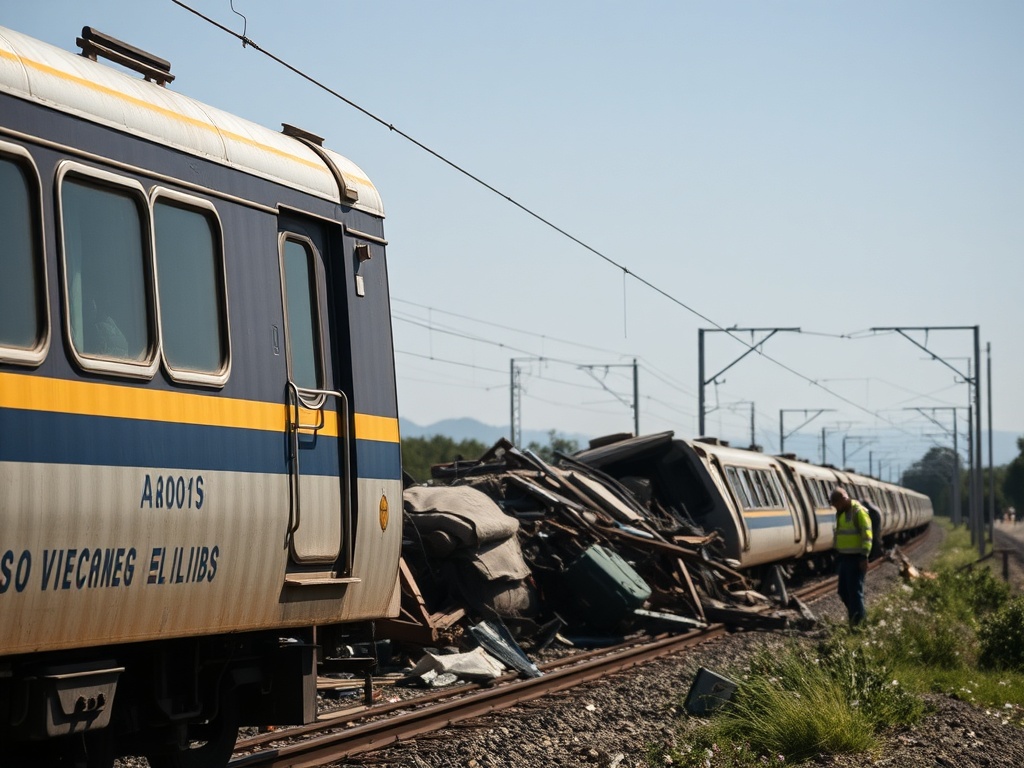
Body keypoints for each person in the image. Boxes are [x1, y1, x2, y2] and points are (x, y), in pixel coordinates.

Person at [830, 487, 873, 627]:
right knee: (843, 591)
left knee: (855, 592)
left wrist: (864, 556)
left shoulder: (858, 512)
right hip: (845, 557)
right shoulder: (841, 512)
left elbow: (867, 536)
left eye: (836, 504)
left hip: (856, 558)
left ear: (843, 499)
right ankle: (856, 618)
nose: (835, 507)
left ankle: (859, 624)